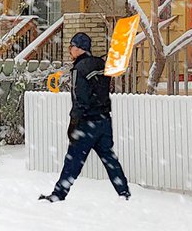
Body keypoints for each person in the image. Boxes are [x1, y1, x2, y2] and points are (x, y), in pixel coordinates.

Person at [39, 32, 130, 202]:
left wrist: (74, 122)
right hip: (104, 120)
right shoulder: (102, 65)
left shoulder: (78, 70)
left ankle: (59, 194)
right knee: (110, 159)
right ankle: (123, 192)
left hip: (86, 123)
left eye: (71, 47)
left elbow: (79, 98)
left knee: (73, 161)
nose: (70, 50)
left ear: (79, 49)